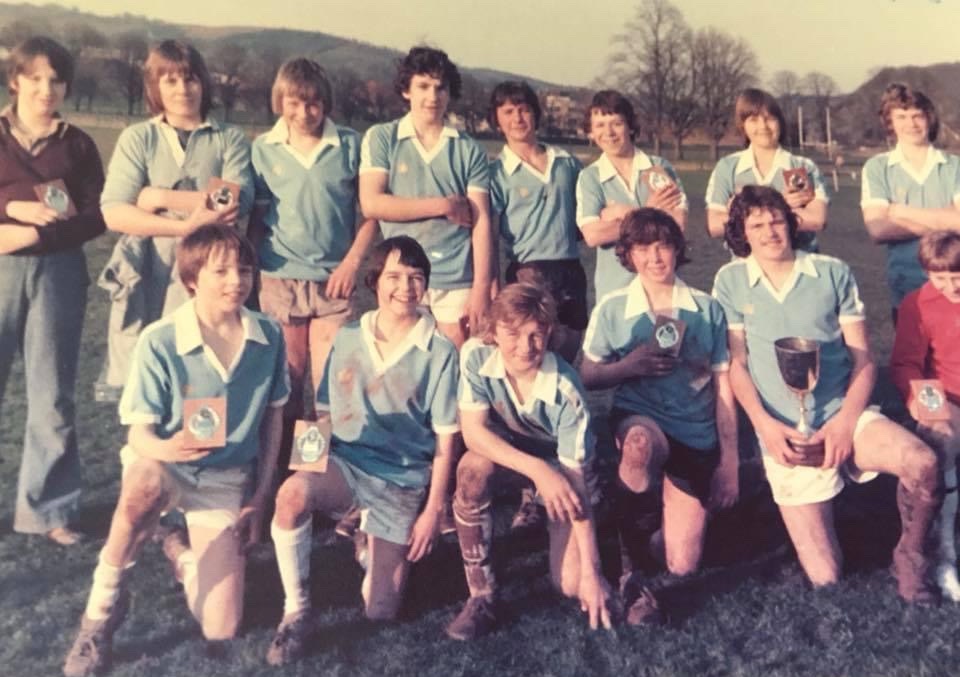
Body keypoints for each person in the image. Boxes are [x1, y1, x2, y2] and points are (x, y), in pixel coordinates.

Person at [62, 226, 289, 677]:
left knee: (221, 628)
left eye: (244, 270)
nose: (236, 281)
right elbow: (138, 436)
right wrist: (170, 448)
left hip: (223, 478)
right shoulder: (161, 339)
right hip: (166, 465)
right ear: (191, 280)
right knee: (143, 486)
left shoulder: (268, 334)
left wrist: (260, 495)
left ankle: (181, 553)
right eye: (220, 271)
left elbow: (274, 420)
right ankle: (99, 616)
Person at [713, 185, 940, 602]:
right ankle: (784, 495)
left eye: (776, 221)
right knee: (827, 577)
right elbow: (737, 366)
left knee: (922, 463)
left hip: (844, 414)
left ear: (790, 222)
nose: (769, 232)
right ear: (742, 233)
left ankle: (911, 557)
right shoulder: (730, 280)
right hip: (786, 432)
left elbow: (865, 359)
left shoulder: (831, 271)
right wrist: (766, 427)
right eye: (757, 225)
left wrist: (844, 423)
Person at [265, 236, 459, 666]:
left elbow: (446, 439)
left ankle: (367, 540)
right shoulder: (350, 335)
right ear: (375, 282)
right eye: (394, 277)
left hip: (400, 480)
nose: (405, 287)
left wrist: (433, 510)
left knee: (381, 611)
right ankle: (296, 611)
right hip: (348, 465)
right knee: (291, 496)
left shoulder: (440, 350)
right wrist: (303, 478)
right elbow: (323, 411)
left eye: (416, 277)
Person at [580, 209, 738, 624]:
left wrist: (731, 461)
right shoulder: (614, 308)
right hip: (642, 417)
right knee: (638, 447)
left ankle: (658, 515)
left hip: (695, 431)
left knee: (682, 564)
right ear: (628, 254)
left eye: (663, 245)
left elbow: (724, 388)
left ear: (677, 249)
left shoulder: (706, 308)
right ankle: (630, 572)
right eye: (643, 248)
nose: (654, 257)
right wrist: (627, 367)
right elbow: (588, 375)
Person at [446, 283, 612, 639]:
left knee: (570, 584)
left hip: (561, 468)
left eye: (535, 334)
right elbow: (473, 433)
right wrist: (536, 471)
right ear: (494, 331)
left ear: (549, 332)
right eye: (512, 333)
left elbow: (576, 485)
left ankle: (593, 520)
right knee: (472, 470)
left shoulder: (566, 390)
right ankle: (481, 595)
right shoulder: (475, 355)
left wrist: (593, 574)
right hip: (519, 459)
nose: (525, 346)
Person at [96, 39, 253, 400]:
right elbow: (114, 211)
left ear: (204, 83)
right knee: (146, 375)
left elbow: (231, 204)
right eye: (170, 80)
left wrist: (156, 197)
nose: (182, 89)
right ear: (155, 87)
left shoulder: (228, 138)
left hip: (208, 268)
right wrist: (183, 225)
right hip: (148, 270)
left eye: (190, 78)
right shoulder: (139, 137)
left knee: (201, 372)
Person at [0, 36, 106, 545]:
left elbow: (95, 215)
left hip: (59, 272)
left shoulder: (78, 144)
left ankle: (49, 510)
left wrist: (34, 235)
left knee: (53, 395)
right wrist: (11, 210)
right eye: (36, 78)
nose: (46, 89)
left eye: (56, 80)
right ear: (15, 80)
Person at [250, 57, 377, 433]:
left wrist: (351, 264)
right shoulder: (264, 149)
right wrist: (253, 277)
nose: (304, 113)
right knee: (287, 385)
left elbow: (371, 215)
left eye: (313, 103)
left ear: (325, 103)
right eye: (294, 103)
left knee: (329, 389)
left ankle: (318, 466)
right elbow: (257, 220)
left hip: (333, 283)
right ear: (280, 101)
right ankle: (282, 464)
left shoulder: (349, 145)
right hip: (280, 280)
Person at [359, 46, 492, 350]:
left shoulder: (468, 149)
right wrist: (443, 206)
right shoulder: (382, 137)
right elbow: (372, 203)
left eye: (440, 87)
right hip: (402, 275)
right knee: (402, 364)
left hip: (455, 279)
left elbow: (481, 221)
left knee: (454, 366)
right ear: (406, 90)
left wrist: (481, 288)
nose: (432, 96)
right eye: (423, 86)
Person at [487, 81, 588, 364]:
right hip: (528, 272)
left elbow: (588, 214)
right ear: (497, 119)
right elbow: (489, 239)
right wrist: (492, 288)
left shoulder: (566, 163)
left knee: (567, 355)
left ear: (535, 113)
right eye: (508, 112)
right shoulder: (496, 173)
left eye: (524, 110)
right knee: (532, 354)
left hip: (570, 269)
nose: (517, 118)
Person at [890, 231, 960, 601]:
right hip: (949, 398)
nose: (951, 286)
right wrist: (933, 411)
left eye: (957, 276)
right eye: (940, 277)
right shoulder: (917, 303)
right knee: (940, 438)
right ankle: (945, 553)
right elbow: (907, 365)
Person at [575, 90, 688, 301]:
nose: (608, 132)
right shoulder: (589, 177)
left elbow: (677, 224)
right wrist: (650, 212)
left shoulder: (658, 168)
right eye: (600, 125)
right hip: (614, 291)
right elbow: (593, 235)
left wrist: (621, 215)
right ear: (590, 132)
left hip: (662, 287)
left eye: (617, 123)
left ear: (631, 126)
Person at [861, 83, 960, 320]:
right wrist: (945, 219)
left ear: (929, 118)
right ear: (890, 122)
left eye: (917, 116)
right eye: (901, 117)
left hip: (955, 286)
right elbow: (878, 230)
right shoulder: (877, 168)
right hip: (906, 289)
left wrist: (900, 211)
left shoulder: (955, 166)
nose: (911, 124)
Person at [705, 88, 828, 253]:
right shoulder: (727, 167)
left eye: (770, 118)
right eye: (753, 119)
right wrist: (784, 206)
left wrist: (740, 211)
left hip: (799, 259)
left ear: (780, 122)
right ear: (742, 125)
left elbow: (817, 220)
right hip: (747, 262)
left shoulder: (802, 166)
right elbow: (714, 225)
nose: (763, 126)